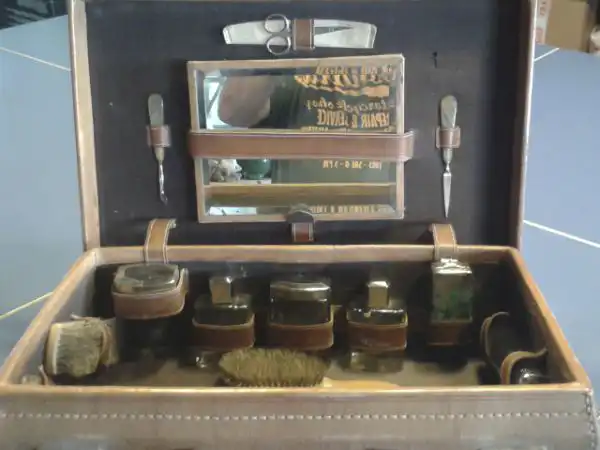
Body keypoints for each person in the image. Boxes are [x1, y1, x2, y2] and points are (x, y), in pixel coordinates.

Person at [217, 64, 398, 186]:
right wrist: (273, 51)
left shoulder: (398, 52)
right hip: (296, 222)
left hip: (386, 221)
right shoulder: (294, 44)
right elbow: (232, 111)